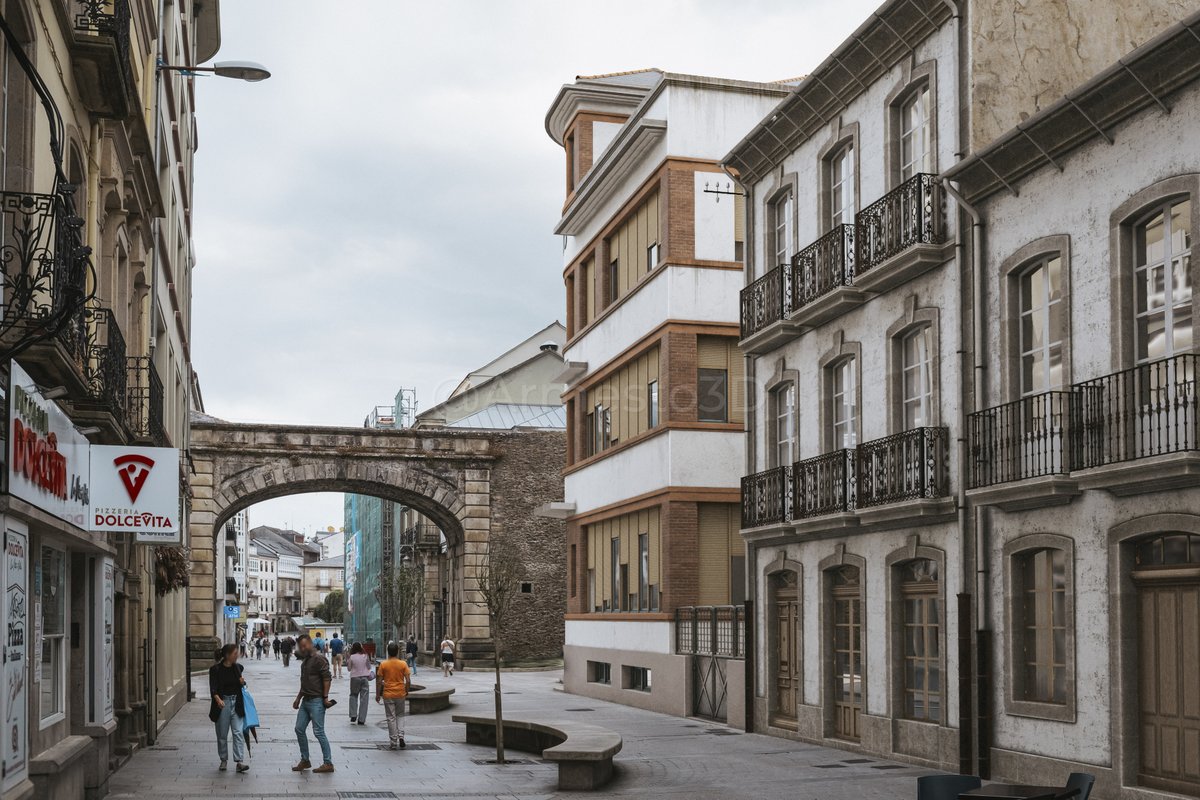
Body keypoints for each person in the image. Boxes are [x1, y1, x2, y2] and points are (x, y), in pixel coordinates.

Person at [292, 634, 335, 773]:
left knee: (319, 732)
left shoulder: (319, 659)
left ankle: (328, 763)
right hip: (306, 701)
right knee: (299, 729)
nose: (303, 648)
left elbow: (327, 678)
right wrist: (298, 698)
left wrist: (325, 698)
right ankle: (305, 760)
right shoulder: (305, 661)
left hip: (317, 700)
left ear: (310, 643)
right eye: (301, 646)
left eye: (305, 645)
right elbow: (304, 682)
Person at [208, 644, 250, 773]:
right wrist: (218, 699)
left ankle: (239, 762)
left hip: (236, 703)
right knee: (222, 734)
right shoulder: (215, 669)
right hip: (223, 704)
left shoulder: (238, 668)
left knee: (238, 732)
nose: (236, 655)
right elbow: (213, 687)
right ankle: (223, 760)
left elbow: (242, 685)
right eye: (234, 653)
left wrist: (243, 682)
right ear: (227, 655)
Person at [375, 641, 412, 750]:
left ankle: (393, 741)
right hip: (400, 692)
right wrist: (407, 690)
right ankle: (401, 736)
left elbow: (378, 681)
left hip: (388, 693)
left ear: (388, 652)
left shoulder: (383, 664)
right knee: (400, 715)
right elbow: (408, 680)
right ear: (397, 652)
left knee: (391, 717)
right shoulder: (403, 664)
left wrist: (378, 694)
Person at [347, 642, 373, 725]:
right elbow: (369, 667)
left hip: (354, 678)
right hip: (365, 678)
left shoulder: (352, 657)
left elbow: (349, 669)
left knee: (353, 696)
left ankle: (353, 715)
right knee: (364, 699)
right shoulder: (365, 656)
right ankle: (361, 719)